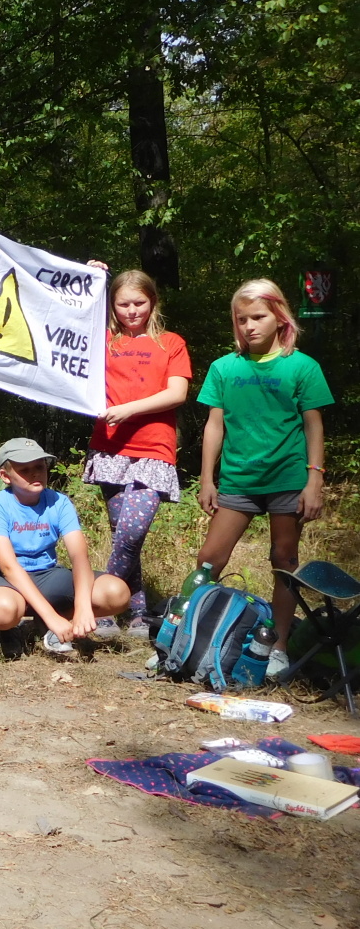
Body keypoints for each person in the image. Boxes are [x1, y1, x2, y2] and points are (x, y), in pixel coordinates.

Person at [194, 280, 332, 676]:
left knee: (284, 561)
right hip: (238, 480)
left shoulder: (302, 366)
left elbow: (313, 425)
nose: (250, 326)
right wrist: (207, 479)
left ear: (280, 317)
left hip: (287, 479)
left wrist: (314, 480)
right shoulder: (224, 368)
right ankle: (186, 632)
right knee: (208, 560)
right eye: (242, 319)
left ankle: (278, 646)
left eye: (258, 317)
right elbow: (214, 425)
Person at [81, 268, 190, 639]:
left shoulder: (171, 343)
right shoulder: (104, 342)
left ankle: (98, 607)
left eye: (139, 303)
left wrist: (128, 410)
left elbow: (177, 393)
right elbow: (73, 323)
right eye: (122, 304)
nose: (131, 311)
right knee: (125, 538)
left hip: (154, 449)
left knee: (130, 533)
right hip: (110, 449)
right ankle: (137, 613)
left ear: (152, 301)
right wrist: (92, 281)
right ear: (112, 306)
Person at [0, 438, 131, 659]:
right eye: (24, 470)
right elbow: (9, 567)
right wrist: (52, 616)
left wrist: (82, 607)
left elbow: (79, 556)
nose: (35, 474)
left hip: (47, 575)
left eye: (39, 467)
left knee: (117, 592)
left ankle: (51, 621)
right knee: (2, 611)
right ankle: (9, 629)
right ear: (5, 476)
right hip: (4, 580)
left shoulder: (59, 502)